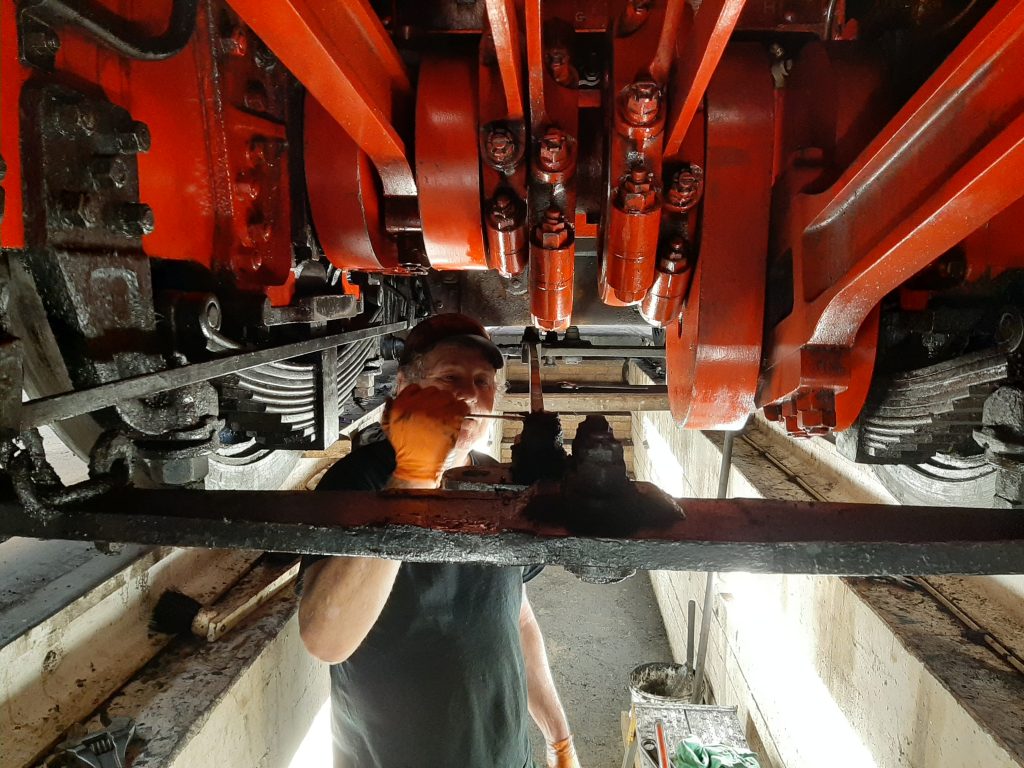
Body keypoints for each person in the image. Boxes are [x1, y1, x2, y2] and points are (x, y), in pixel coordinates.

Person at [298, 313, 582, 768]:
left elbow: (516, 617)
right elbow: (325, 641)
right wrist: (412, 480)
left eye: (481, 379)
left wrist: (559, 737)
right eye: (449, 377)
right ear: (406, 387)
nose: (469, 393)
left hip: (507, 756)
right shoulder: (359, 480)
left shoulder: (496, 482)